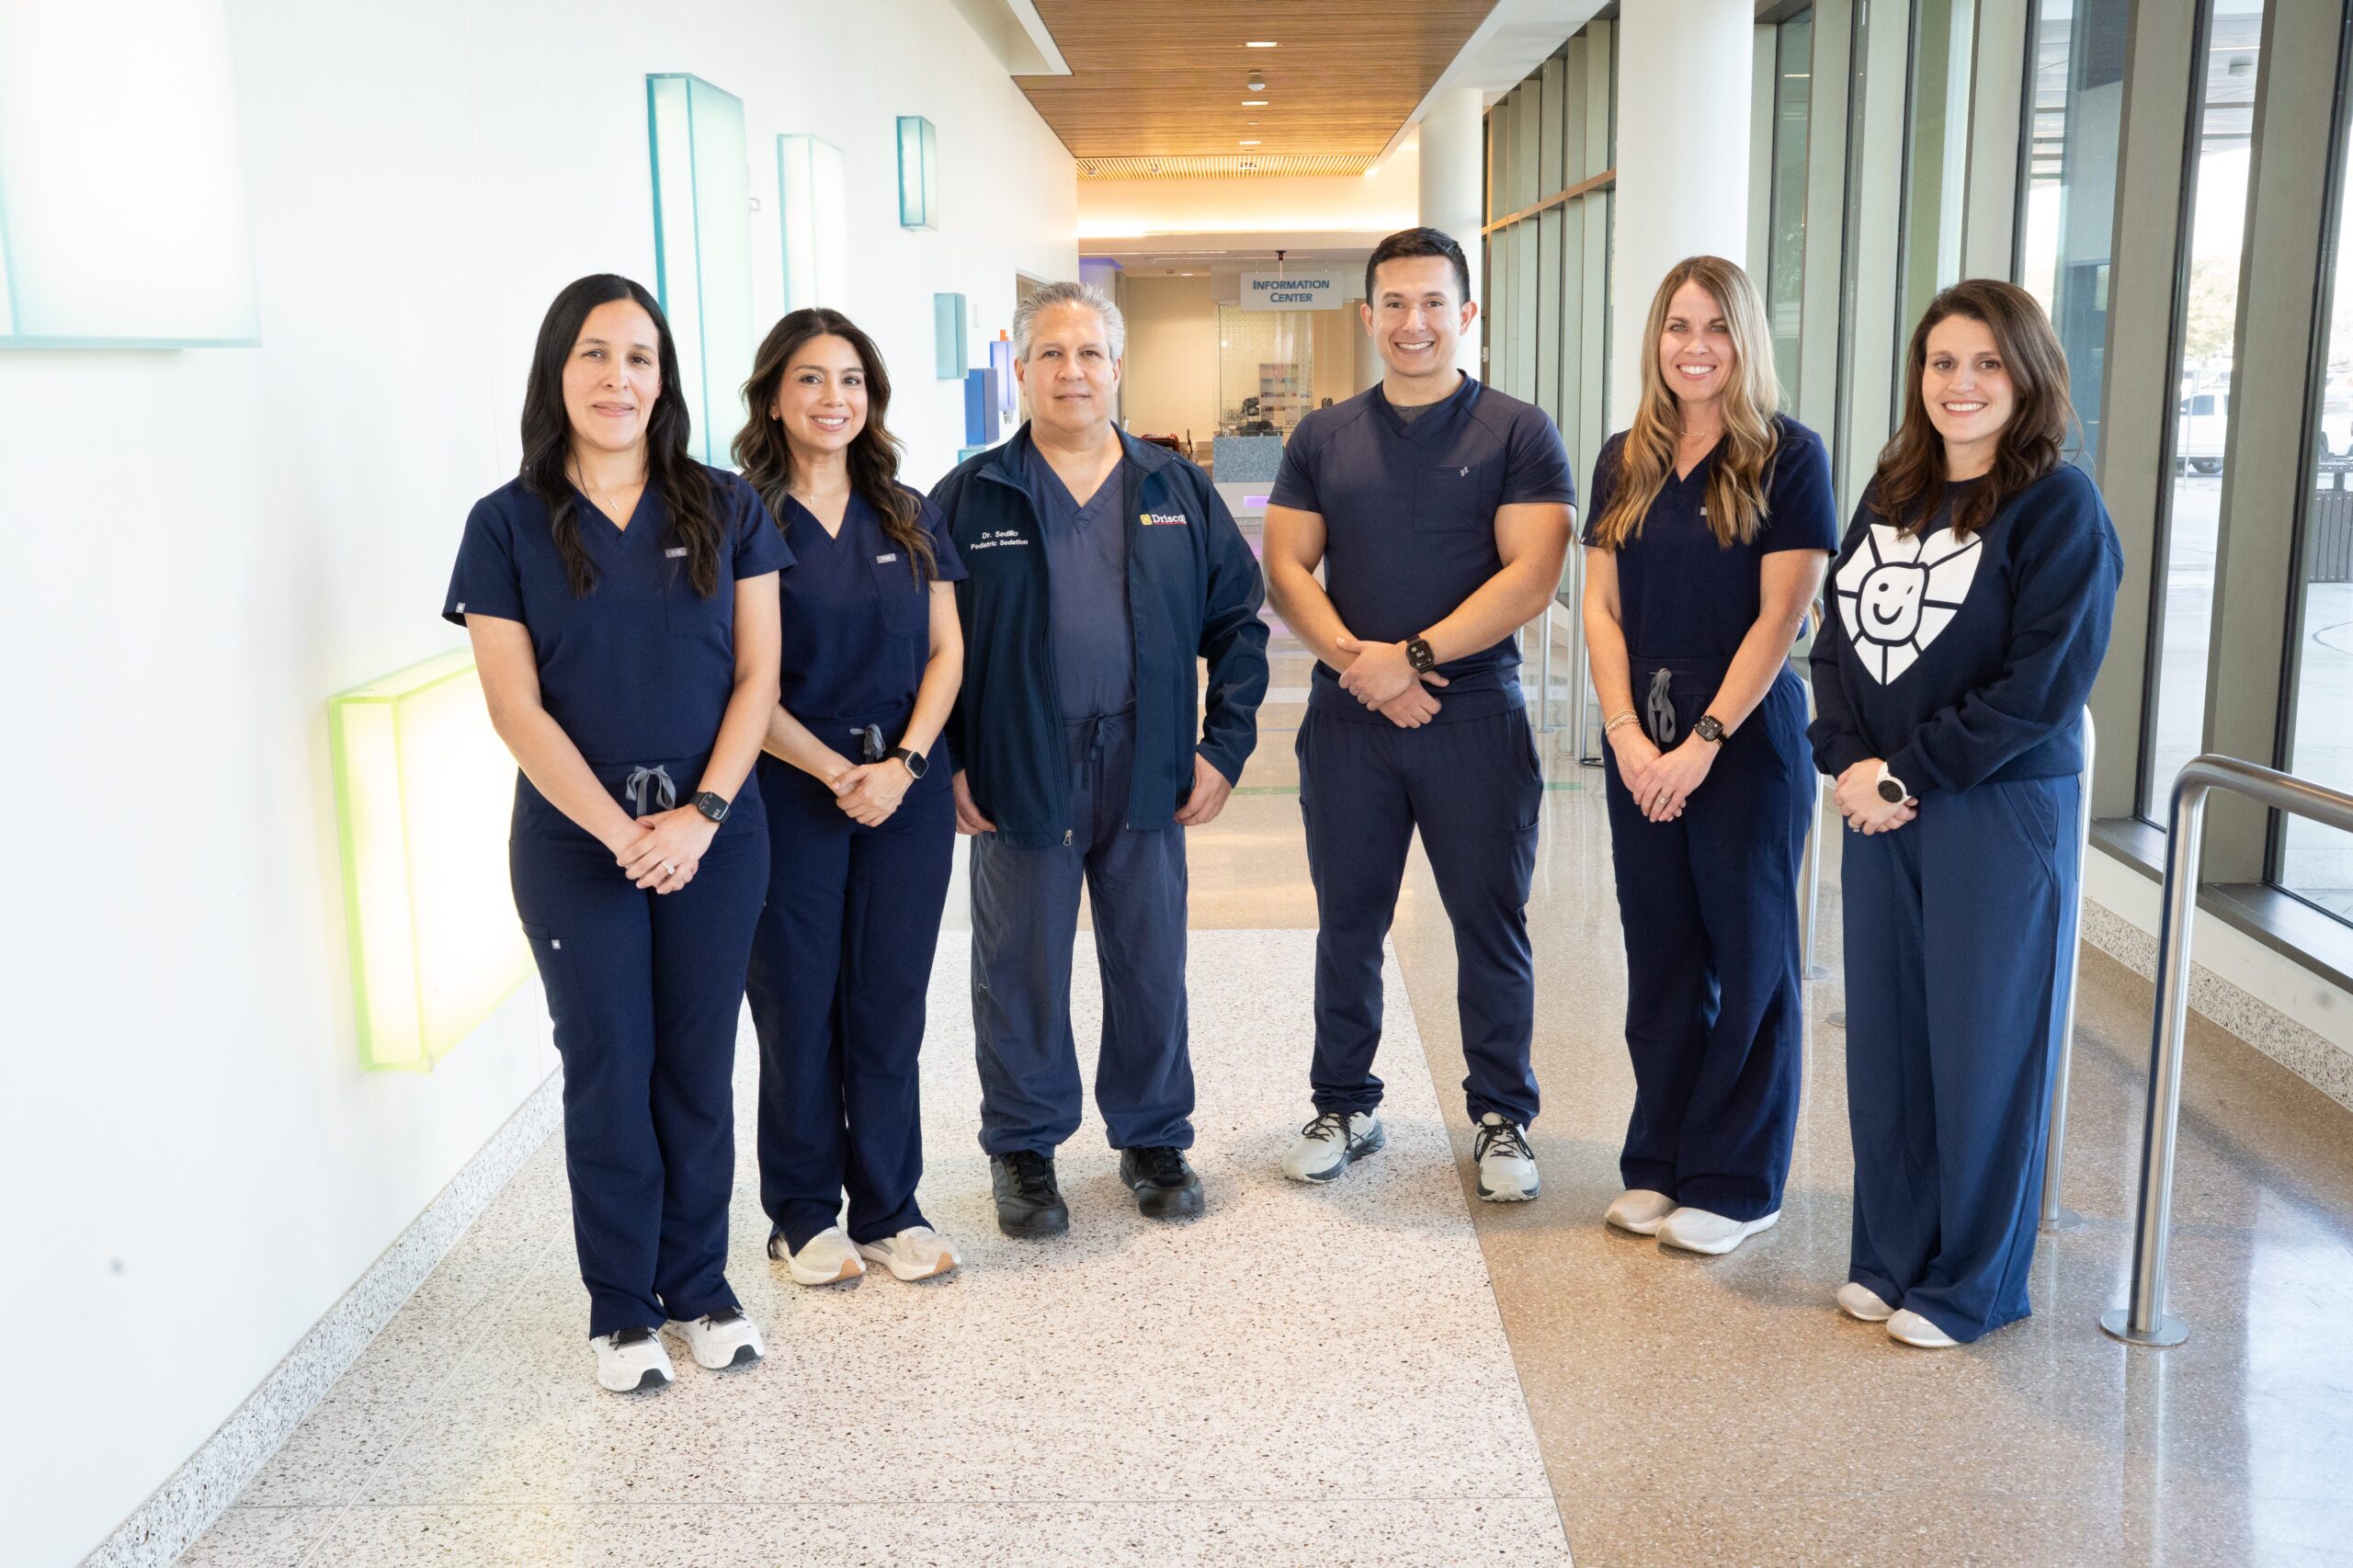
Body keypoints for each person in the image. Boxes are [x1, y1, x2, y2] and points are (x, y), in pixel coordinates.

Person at [446, 275, 786, 1392]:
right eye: (594, 355)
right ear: (558, 372)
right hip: (571, 844)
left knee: (697, 1065)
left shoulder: (727, 506)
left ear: (664, 378)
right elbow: (514, 706)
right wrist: (623, 831)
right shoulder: (504, 523)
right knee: (608, 1066)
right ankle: (622, 1306)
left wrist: (700, 817)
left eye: (639, 358)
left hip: (716, 834)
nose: (617, 378)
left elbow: (757, 678)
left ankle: (701, 1284)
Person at [1810, 278, 2120, 1348]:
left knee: (1984, 1043)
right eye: (1943, 362)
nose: (1962, 383)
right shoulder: (1892, 490)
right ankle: (1889, 1253)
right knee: (1890, 1035)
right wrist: (1848, 761)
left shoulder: (2058, 504)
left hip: (1995, 810)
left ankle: (1973, 1282)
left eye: (1987, 362)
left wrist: (1906, 774)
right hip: (1880, 807)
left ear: (2027, 374)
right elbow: (1837, 644)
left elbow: (2043, 685)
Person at [929, 280, 1269, 1237]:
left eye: (1089, 354)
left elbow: (1238, 624)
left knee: (1149, 957)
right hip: (1017, 764)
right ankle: (1025, 1150)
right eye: (1051, 354)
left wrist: (1224, 748)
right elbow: (928, 641)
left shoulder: (1173, 487)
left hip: (1147, 761)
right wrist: (952, 759)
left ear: (1116, 368)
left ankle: (1153, 1136)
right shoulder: (972, 495)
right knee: (1019, 962)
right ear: (1021, 371)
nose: (1071, 372)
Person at [1262, 227, 1574, 1201]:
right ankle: (1344, 1102)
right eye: (1394, 304)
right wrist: (1363, 665)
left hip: (1474, 715)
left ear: (1466, 314)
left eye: (1434, 302)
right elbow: (1285, 567)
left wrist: (1414, 657)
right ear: (1367, 318)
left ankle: (1501, 1117)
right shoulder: (1322, 436)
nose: (1414, 322)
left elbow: (1531, 577)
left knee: (1489, 921)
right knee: (1347, 922)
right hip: (1351, 719)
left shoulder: (1517, 431)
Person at [1581, 257, 1838, 1256]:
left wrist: (1699, 745)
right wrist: (1626, 738)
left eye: (1715, 328)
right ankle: (1660, 1160)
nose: (1694, 346)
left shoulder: (1787, 455)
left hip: (1742, 740)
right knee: (1662, 956)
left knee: (1750, 955)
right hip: (1637, 738)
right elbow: (1600, 612)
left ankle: (1737, 1179)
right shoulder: (1624, 457)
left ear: (1745, 341)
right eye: (1677, 326)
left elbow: (1784, 618)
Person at [733, 309, 966, 1289]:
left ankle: (887, 1207)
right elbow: (738, 676)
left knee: (886, 1003)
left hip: (903, 789)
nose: (834, 400)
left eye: (852, 382)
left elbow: (948, 650)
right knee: (796, 1006)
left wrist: (905, 766)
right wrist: (834, 771)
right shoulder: (740, 514)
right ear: (775, 398)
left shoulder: (908, 510)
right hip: (789, 789)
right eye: (812, 381)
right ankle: (799, 1214)